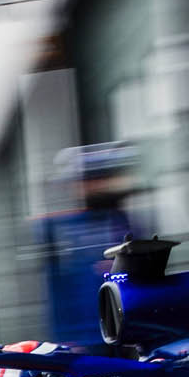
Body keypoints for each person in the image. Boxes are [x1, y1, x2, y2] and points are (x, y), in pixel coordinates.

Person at [38, 143, 148, 346]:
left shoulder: (128, 223)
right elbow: (58, 291)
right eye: (95, 180)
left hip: (130, 329)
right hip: (88, 336)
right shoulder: (60, 229)